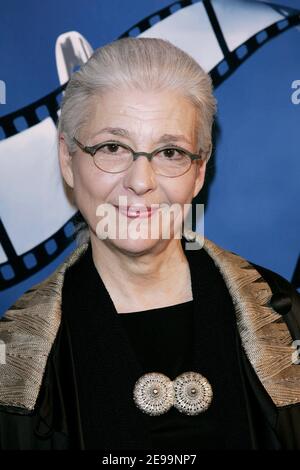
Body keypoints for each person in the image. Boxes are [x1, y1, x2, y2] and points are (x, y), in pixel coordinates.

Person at [0, 37, 300, 451]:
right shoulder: (12, 361)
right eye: (113, 147)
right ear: (68, 160)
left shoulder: (283, 316)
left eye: (170, 152)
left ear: (198, 173)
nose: (141, 182)